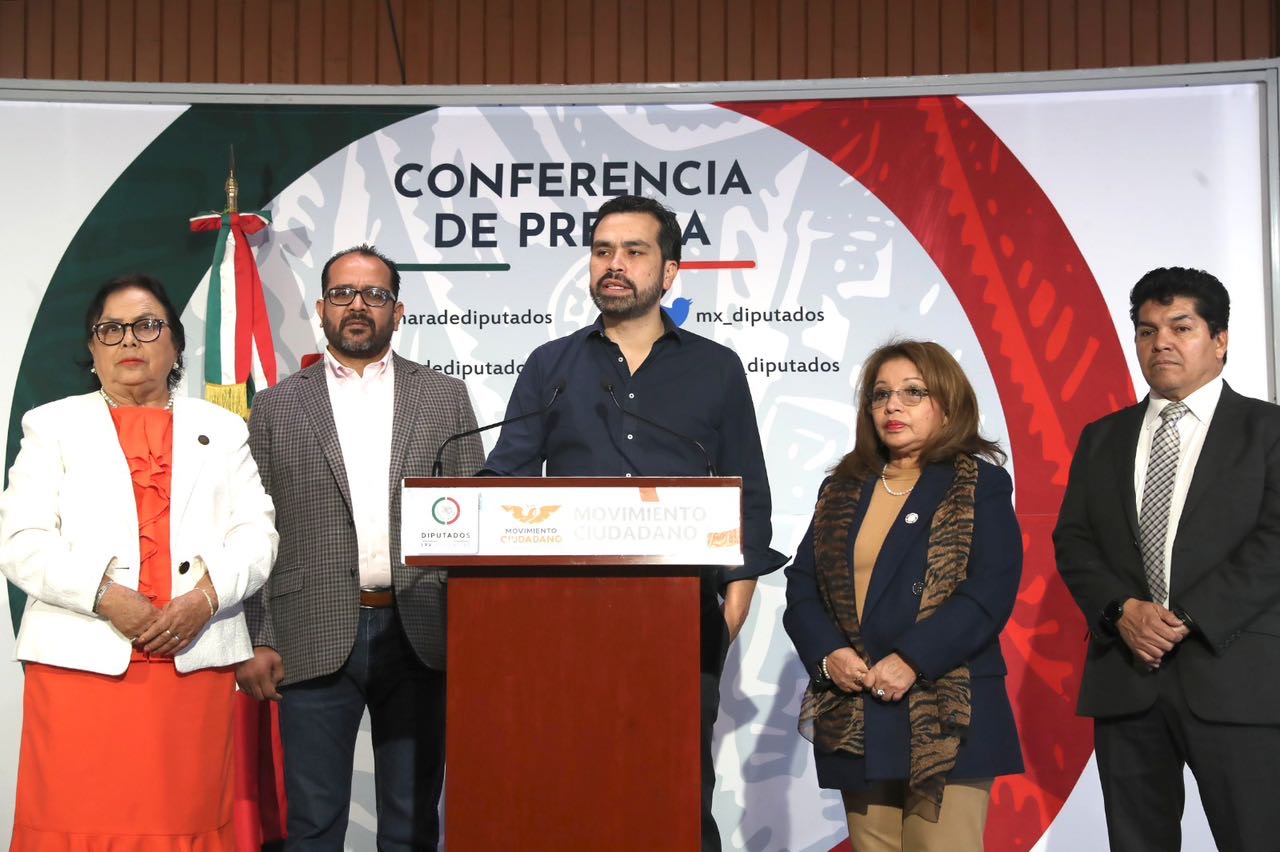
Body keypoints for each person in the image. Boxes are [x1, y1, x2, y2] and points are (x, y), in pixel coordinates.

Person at [482, 194, 786, 851]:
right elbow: (504, 478)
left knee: (673, 795)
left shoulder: (715, 368)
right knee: (570, 790)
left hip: (681, 618)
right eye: (602, 251)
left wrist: (733, 604)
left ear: (669, 272)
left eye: (633, 251)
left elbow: (748, 493)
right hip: (562, 620)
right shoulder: (550, 366)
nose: (614, 264)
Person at [0, 274, 277, 848]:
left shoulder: (223, 429)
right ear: (92, 347)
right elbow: (21, 540)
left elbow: (257, 536)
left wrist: (206, 598)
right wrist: (104, 596)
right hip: (79, 664)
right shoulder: (52, 426)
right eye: (111, 329)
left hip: (192, 664)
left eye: (147, 326)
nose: (129, 340)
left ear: (175, 343)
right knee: (77, 817)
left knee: (184, 819)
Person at [235, 244, 484, 851]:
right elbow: (250, 530)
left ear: (398, 312)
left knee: (412, 826)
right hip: (309, 631)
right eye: (342, 293)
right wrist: (257, 635)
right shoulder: (275, 406)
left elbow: (474, 521)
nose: (357, 305)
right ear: (321, 308)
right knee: (313, 827)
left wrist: (473, 634)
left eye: (374, 294)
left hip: (420, 633)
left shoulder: (445, 397)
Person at [1054, 267, 1280, 852]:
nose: (1161, 344)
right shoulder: (1101, 437)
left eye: (1181, 327)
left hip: (1235, 677)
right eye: (1147, 331)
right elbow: (1073, 541)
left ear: (1220, 339)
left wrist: (1186, 617)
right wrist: (1121, 611)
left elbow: (1274, 541)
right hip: (1126, 679)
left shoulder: (1268, 430)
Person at [783, 340, 1023, 852]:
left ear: (948, 405)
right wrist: (829, 656)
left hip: (946, 708)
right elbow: (802, 588)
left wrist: (913, 658)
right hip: (858, 706)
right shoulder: (841, 488)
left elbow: (990, 590)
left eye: (913, 392)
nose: (893, 406)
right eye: (881, 394)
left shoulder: (978, 482)